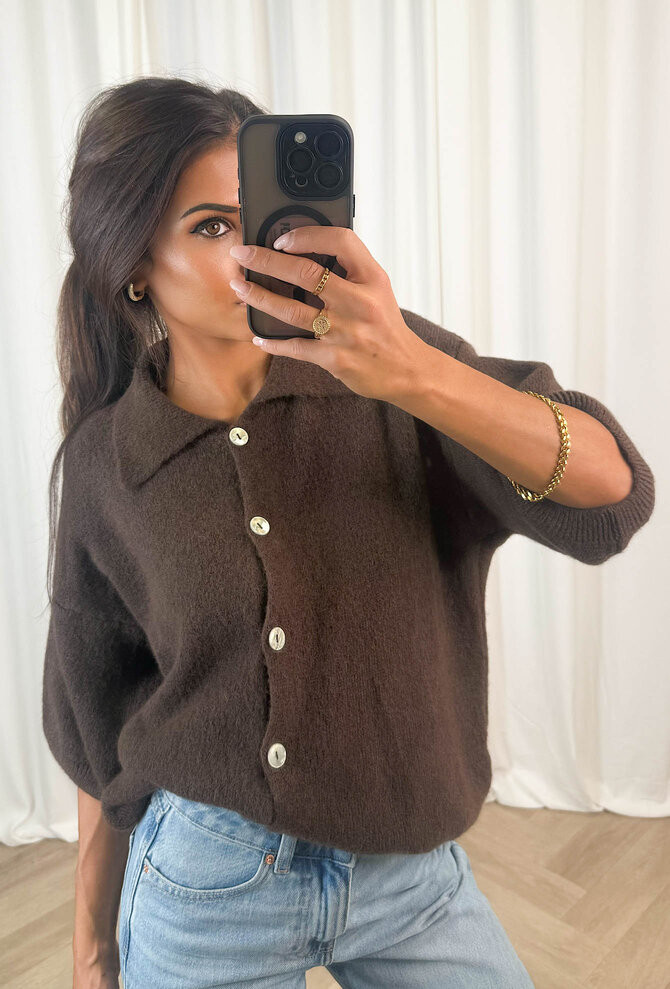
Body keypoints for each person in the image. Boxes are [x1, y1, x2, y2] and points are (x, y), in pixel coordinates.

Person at [42, 77, 654, 989]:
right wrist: (93, 950)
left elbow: (613, 496)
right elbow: (95, 722)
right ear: (133, 263)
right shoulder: (108, 461)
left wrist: (412, 372)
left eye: (261, 219)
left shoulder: (395, 365)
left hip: (412, 875)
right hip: (205, 881)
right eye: (211, 226)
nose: (254, 251)